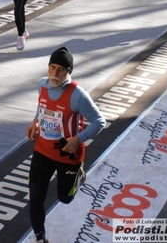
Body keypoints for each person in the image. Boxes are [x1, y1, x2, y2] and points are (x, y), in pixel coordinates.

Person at [25, 47, 106, 243]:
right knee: (35, 198)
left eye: (61, 69)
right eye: (52, 67)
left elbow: (99, 121)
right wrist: (35, 122)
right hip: (42, 150)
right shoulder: (42, 85)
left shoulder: (77, 95)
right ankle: (40, 238)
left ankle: (78, 173)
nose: (55, 73)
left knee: (65, 199)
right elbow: (42, 108)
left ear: (69, 71)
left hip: (68, 154)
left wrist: (78, 139)